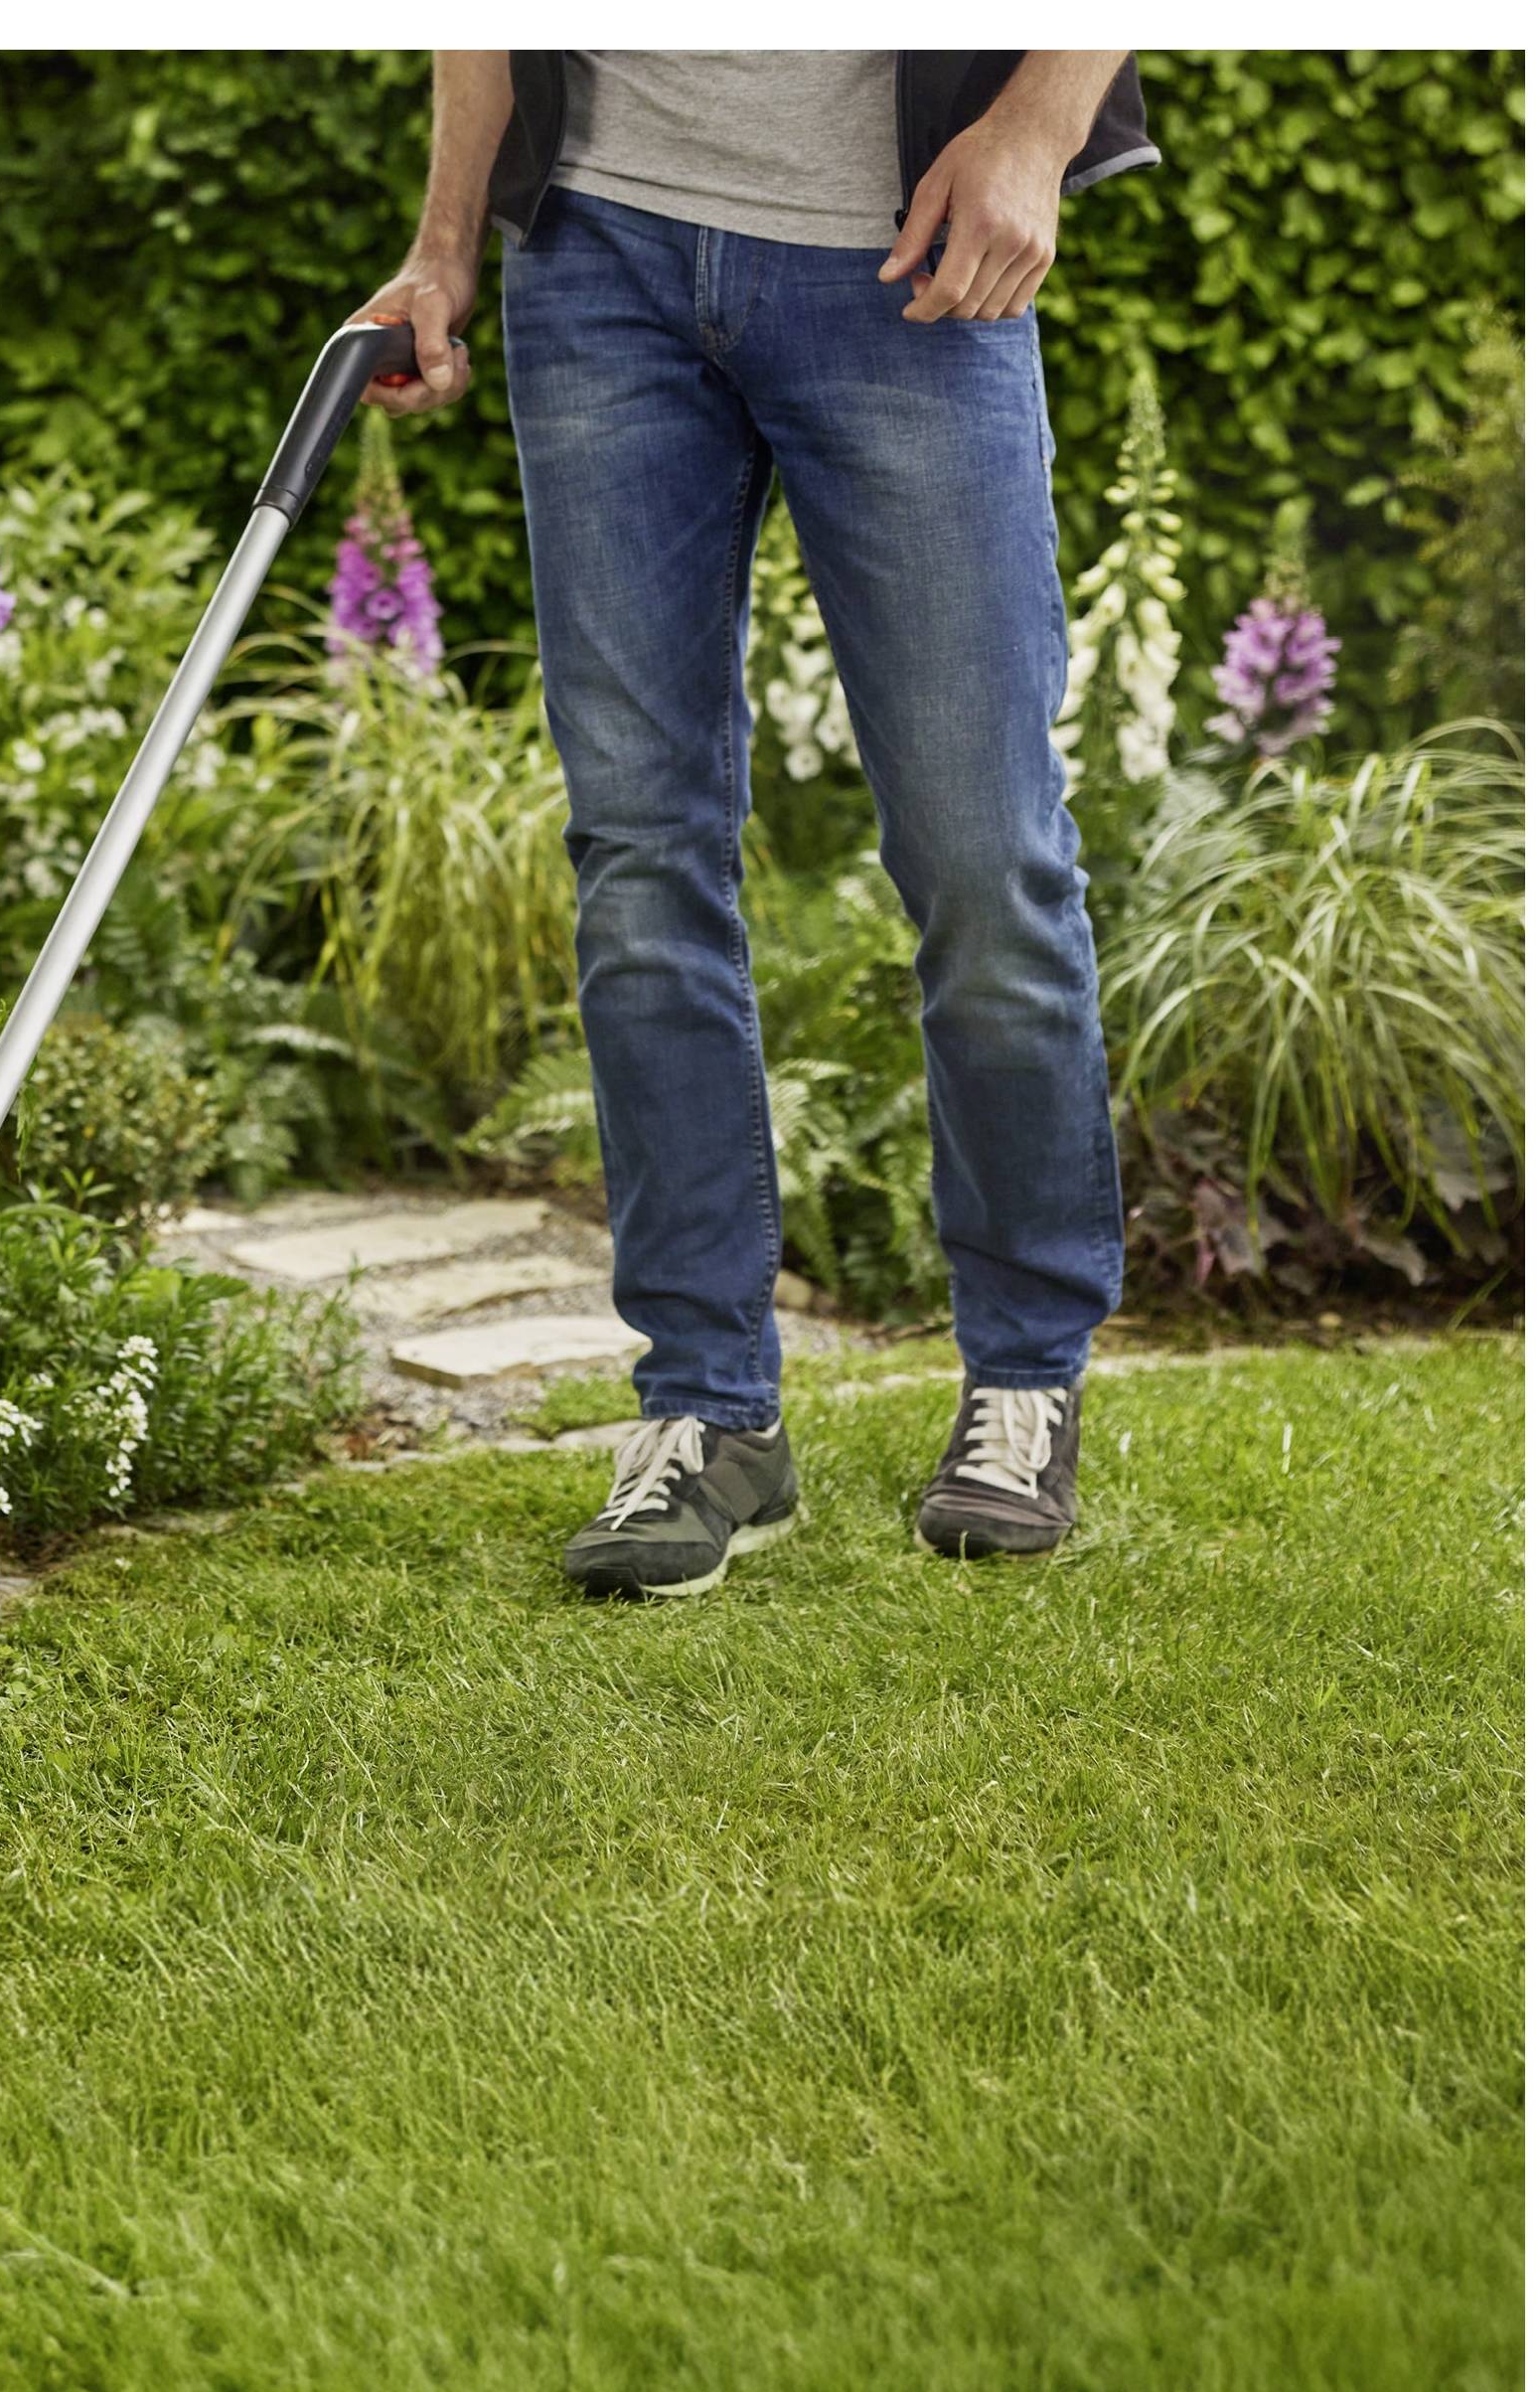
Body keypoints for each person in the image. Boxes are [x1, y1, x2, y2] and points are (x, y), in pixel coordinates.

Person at [357, 50, 1157, 1595]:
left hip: (911, 250)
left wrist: (1039, 130)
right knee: (641, 861)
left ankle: (1024, 1375)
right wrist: (446, 238)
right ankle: (707, 1409)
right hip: (600, 256)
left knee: (985, 852)